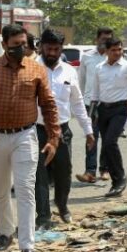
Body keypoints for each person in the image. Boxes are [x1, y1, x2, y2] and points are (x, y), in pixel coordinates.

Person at [0, 23, 60, 252]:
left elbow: (48, 105)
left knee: (25, 189)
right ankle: (6, 232)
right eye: (15, 45)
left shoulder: (36, 69)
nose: (21, 48)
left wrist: (53, 137)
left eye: (24, 44)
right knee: (0, 188)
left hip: (25, 135)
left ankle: (27, 246)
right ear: (4, 45)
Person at [35, 28, 94, 230]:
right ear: (41, 47)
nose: (52, 53)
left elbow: (77, 102)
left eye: (56, 49)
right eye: (48, 49)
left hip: (62, 130)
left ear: (61, 49)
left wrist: (88, 131)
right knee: (39, 174)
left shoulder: (69, 71)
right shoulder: (31, 68)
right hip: (37, 130)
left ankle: (62, 206)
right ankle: (43, 216)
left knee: (64, 172)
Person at [85, 36, 127, 198]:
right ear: (106, 51)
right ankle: (116, 181)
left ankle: (120, 178)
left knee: (110, 142)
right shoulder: (99, 68)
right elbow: (95, 93)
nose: (117, 53)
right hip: (103, 109)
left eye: (119, 49)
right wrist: (92, 113)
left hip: (120, 109)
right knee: (106, 146)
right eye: (113, 50)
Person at [76, 27, 114, 183]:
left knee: (107, 138)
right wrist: (80, 100)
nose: (105, 42)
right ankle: (90, 172)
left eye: (108, 39)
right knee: (91, 136)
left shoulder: (113, 57)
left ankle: (105, 169)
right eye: (103, 39)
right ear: (97, 39)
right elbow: (81, 80)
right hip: (90, 104)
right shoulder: (87, 57)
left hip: (109, 103)